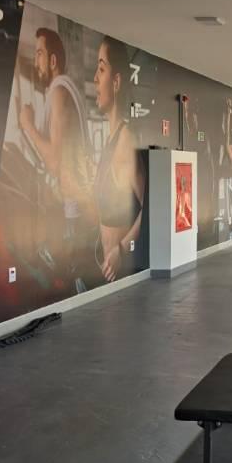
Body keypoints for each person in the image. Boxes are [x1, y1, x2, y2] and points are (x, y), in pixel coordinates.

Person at [17, 27, 93, 238]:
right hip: (73, 211)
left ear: (52, 61)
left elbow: (56, 164)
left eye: (39, 54)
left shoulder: (59, 92)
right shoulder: (62, 90)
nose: (35, 63)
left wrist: (28, 125)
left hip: (73, 216)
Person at [92, 36, 144, 282]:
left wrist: (121, 251)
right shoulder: (110, 140)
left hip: (122, 273)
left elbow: (149, 207)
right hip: (108, 273)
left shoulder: (125, 142)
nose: (95, 78)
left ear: (116, 82)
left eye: (101, 69)